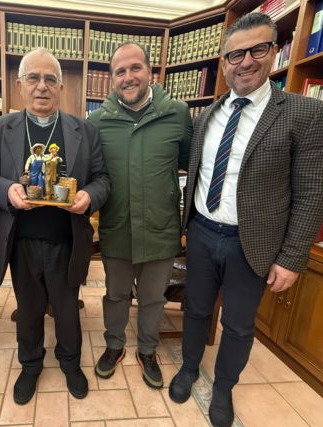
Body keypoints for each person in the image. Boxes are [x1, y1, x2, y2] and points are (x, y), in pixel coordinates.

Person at [168, 13, 323, 427]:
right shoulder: (205, 116)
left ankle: (224, 388)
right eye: (235, 54)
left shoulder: (305, 113)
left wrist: (292, 258)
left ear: (274, 52)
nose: (246, 61)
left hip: (252, 243)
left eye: (257, 49)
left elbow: (313, 192)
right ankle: (189, 368)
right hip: (202, 233)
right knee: (195, 310)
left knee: (238, 324)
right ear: (224, 62)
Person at [0, 48, 110, 405]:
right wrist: (7, 190)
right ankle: (31, 364)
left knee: (67, 308)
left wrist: (89, 197)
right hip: (20, 240)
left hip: (67, 240)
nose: (42, 86)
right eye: (33, 78)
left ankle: (70, 362)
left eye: (50, 79)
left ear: (61, 88)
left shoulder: (85, 131)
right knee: (29, 309)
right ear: (20, 85)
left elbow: (102, 180)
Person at [88, 42, 193, 389]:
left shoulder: (177, 114)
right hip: (117, 227)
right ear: (112, 78)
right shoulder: (97, 122)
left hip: (160, 228)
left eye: (135, 68)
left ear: (150, 72)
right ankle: (114, 345)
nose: (128, 77)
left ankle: (147, 350)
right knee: (116, 294)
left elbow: (189, 164)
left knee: (152, 298)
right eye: (120, 71)